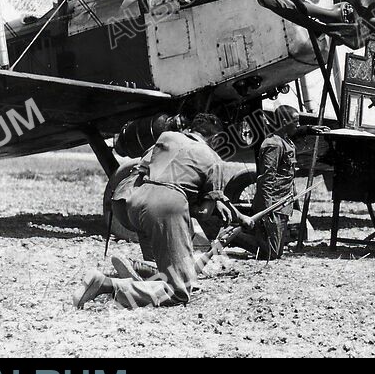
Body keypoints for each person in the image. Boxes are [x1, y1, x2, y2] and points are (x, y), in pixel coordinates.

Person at [74, 114, 246, 309]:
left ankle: (142, 268)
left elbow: (143, 167)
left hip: (134, 201)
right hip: (167, 207)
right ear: (215, 139)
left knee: (167, 259)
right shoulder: (213, 159)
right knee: (179, 292)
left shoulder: (167, 137)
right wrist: (202, 204)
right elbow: (205, 213)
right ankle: (106, 285)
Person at [230, 105, 299, 261]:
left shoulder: (286, 141)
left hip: (283, 203)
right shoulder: (273, 144)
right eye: (295, 122)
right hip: (272, 202)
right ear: (284, 121)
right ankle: (234, 235)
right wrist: (267, 207)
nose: (298, 125)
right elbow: (267, 178)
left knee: (277, 252)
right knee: (271, 254)